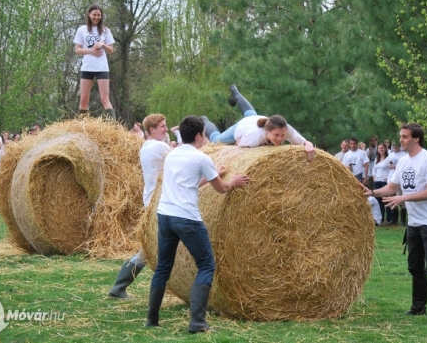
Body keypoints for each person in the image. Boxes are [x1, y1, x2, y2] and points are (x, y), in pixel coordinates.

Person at [145, 115, 250, 332]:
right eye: (204, 133)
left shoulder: (173, 155)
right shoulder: (202, 158)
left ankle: (152, 319)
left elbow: (190, 182)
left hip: (165, 216)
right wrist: (233, 182)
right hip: (187, 218)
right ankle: (197, 322)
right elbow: (221, 189)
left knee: (163, 268)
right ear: (200, 135)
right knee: (206, 264)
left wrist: (215, 174)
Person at [360, 123, 427, 325]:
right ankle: (418, 308)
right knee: (415, 267)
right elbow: (392, 187)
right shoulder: (404, 162)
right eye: (400, 136)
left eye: (405, 137)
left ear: (416, 139)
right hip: (414, 223)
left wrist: (403, 199)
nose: (401, 140)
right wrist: (373, 192)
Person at [108, 114, 172, 299]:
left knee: (151, 247)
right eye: (162, 126)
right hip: (160, 203)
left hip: (152, 201)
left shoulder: (146, 146)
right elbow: (181, 159)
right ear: (152, 130)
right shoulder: (159, 147)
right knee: (152, 248)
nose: (165, 129)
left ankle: (119, 287)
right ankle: (119, 287)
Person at [202, 85, 315, 162]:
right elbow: (238, 145)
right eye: (276, 135)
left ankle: (236, 95)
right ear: (267, 130)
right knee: (216, 139)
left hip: (256, 119)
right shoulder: (254, 136)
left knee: (251, 114)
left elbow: (301, 141)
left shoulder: (284, 128)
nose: (280, 139)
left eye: (282, 135)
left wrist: (307, 144)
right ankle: (204, 120)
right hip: (242, 127)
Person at [73, 4, 116, 119]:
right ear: (89, 15)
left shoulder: (105, 31)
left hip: (102, 67)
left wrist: (103, 45)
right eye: (94, 15)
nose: (96, 17)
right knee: (83, 98)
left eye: (99, 15)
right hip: (87, 67)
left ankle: (113, 126)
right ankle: (82, 124)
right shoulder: (82, 30)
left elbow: (111, 50)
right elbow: (77, 49)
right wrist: (91, 51)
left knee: (104, 98)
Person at [385, 141, 407, 225]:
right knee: (392, 200)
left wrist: (396, 166)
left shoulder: (403, 154)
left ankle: (402, 220)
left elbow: (405, 166)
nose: (394, 146)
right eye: (393, 145)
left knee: (401, 200)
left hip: (400, 180)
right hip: (391, 178)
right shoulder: (390, 155)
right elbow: (388, 166)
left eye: (396, 145)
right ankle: (394, 219)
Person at [372, 143, 389, 222]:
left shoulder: (388, 158)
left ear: (385, 149)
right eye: (379, 148)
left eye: (382, 148)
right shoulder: (377, 159)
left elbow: (392, 169)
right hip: (377, 181)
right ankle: (381, 218)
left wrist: (389, 178)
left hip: (384, 181)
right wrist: (374, 176)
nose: (381, 150)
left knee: (386, 200)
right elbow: (374, 169)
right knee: (378, 201)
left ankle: (389, 218)